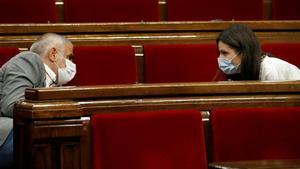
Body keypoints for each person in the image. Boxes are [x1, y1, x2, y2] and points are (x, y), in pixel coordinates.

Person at [0, 33, 76, 168]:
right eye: (69, 57)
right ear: (53, 54)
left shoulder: (52, 82)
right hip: (7, 134)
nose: (72, 65)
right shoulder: (29, 59)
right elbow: (12, 106)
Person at [216, 24, 300, 81]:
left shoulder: (270, 69)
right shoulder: (240, 71)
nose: (220, 58)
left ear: (244, 52)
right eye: (219, 53)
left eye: (224, 53)